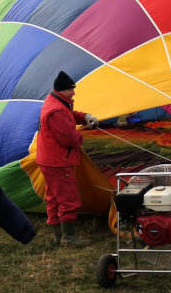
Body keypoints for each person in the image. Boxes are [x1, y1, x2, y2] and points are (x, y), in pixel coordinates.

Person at [37, 71, 98, 247]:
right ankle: (68, 238)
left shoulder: (55, 102)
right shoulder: (55, 110)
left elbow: (69, 115)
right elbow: (69, 138)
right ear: (62, 90)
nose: (73, 93)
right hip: (58, 162)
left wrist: (85, 117)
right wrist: (82, 138)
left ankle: (58, 236)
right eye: (71, 90)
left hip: (48, 160)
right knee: (68, 198)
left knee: (54, 197)